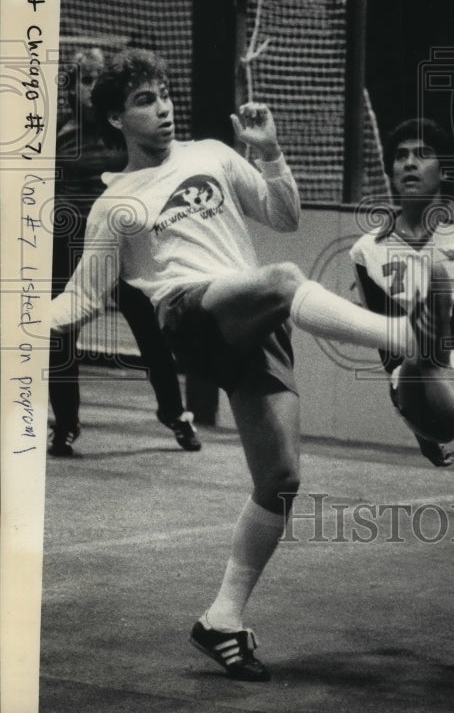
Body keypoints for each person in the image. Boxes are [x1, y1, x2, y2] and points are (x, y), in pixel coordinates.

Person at [50, 48, 419, 680]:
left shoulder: (215, 155)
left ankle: (221, 619)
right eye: (144, 100)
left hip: (251, 317)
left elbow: (285, 214)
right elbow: (82, 299)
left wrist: (269, 152)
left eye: (165, 94)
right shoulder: (117, 205)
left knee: (280, 479)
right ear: (114, 118)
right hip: (189, 315)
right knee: (281, 277)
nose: (163, 107)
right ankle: (406, 338)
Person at [49, 46, 201, 457]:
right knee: (59, 338)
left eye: (98, 77)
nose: (91, 85)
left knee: (150, 334)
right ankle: (65, 425)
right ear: (71, 88)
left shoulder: (127, 133)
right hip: (67, 248)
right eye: (84, 78)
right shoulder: (55, 133)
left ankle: (174, 415)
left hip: (124, 247)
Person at [350, 117, 454, 467]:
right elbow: (387, 344)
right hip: (413, 380)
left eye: (422, 154)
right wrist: (419, 429)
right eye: (401, 156)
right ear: (392, 173)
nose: (409, 162)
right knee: (416, 355)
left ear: (443, 172)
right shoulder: (368, 251)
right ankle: (430, 340)